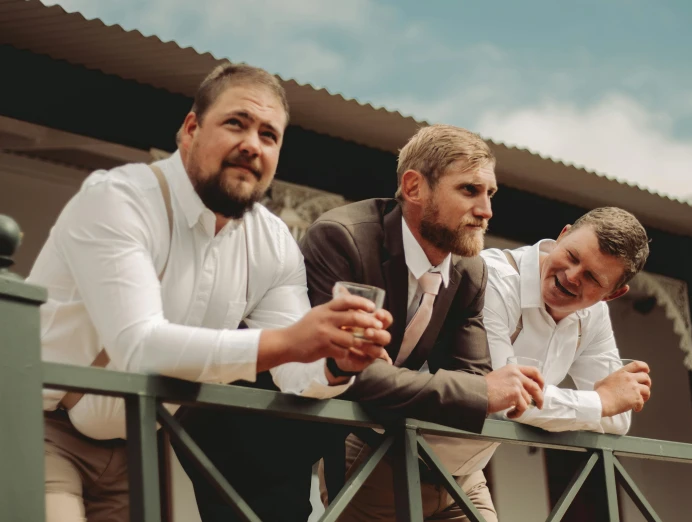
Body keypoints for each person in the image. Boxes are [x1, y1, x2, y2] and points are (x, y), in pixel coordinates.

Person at [30, 62, 392, 522]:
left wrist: (337, 360)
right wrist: (292, 340)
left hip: (137, 443)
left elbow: (295, 372)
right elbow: (138, 345)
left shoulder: (274, 242)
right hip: (38, 424)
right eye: (236, 123)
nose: (251, 144)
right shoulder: (119, 198)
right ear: (191, 129)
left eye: (268, 135)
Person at [300, 124, 546, 522]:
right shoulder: (342, 239)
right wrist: (481, 390)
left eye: (490, 194)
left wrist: (472, 387)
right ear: (413, 188)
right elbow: (350, 376)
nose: (486, 211)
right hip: (357, 453)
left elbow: (469, 373)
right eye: (469, 190)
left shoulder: (470, 270)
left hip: (445, 465)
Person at [479, 207, 652, 442]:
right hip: (417, 451)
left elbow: (618, 418)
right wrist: (599, 402)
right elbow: (500, 397)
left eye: (591, 277)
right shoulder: (491, 278)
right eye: (572, 256)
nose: (572, 276)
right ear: (562, 235)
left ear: (612, 294)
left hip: (465, 468)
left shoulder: (595, 315)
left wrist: (602, 403)